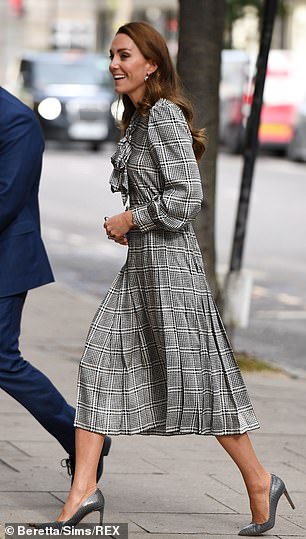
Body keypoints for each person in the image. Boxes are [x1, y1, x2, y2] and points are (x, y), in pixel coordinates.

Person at [35, 22, 295, 536]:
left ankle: (261, 480)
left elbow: (186, 198)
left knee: (202, 388)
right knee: (97, 365)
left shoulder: (165, 118)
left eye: (125, 55)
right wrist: (136, 226)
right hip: (143, 270)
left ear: (151, 64)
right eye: (112, 54)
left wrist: (133, 219)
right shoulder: (139, 120)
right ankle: (83, 492)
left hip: (173, 276)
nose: (114, 63)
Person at [0, 86, 111, 483]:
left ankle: (78, 433)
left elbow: (7, 199)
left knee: (3, 361)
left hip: (6, 260)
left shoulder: (17, 121)